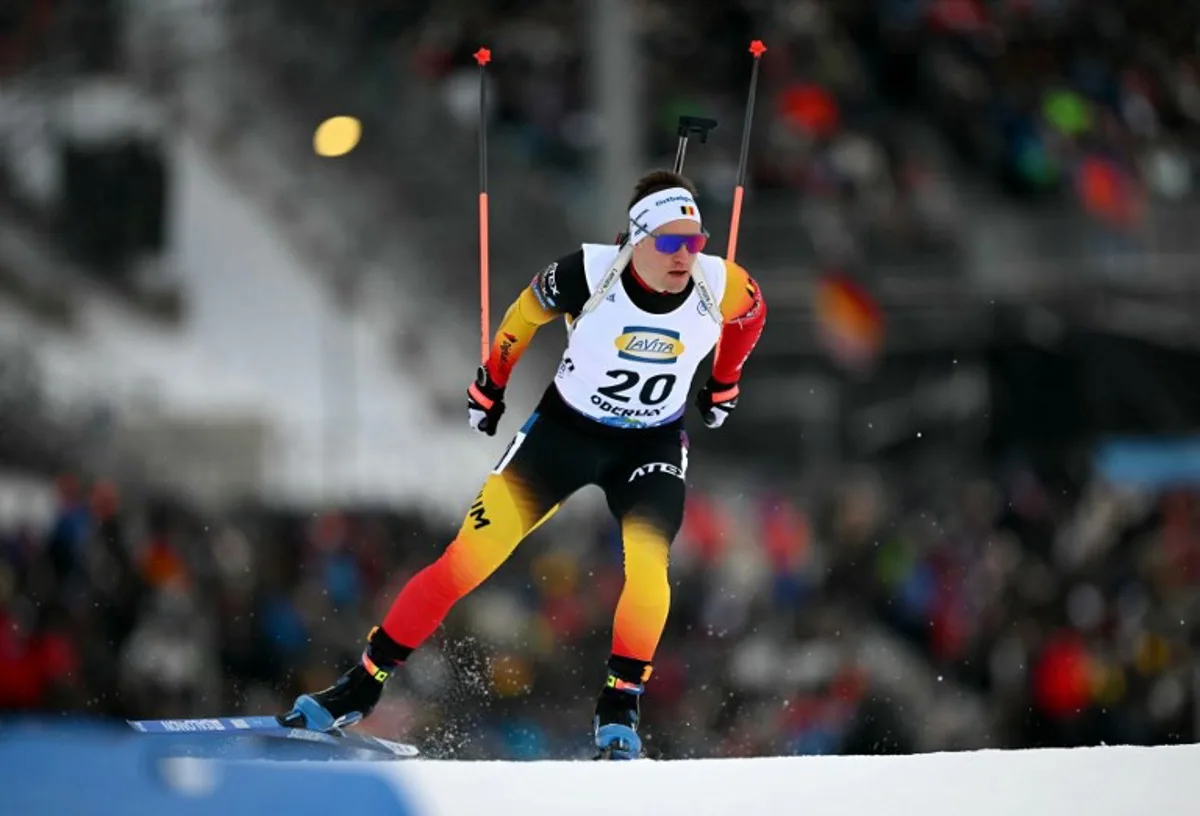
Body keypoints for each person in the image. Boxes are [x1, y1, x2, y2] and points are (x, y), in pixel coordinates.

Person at [284, 169, 767, 759]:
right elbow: (521, 316)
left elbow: (751, 316)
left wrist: (724, 383)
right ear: (634, 240)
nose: (686, 256)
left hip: (651, 445)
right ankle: (361, 685)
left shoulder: (721, 282)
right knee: (467, 561)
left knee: (649, 570)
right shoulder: (588, 273)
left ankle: (619, 707)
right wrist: (492, 382)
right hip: (564, 436)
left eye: (695, 241)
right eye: (669, 242)